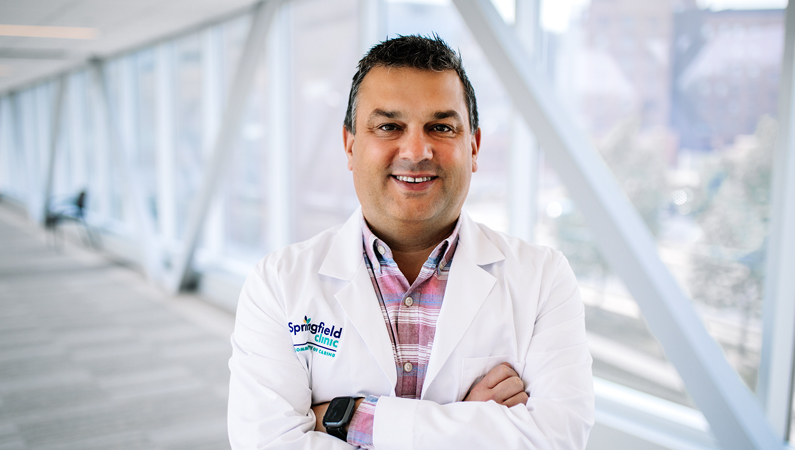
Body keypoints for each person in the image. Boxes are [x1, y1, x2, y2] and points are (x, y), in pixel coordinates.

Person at [228, 34, 594, 449]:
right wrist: (470, 419)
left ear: (473, 146)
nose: (417, 150)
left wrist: (346, 419)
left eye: (441, 127)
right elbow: (266, 444)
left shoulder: (543, 278)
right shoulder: (277, 283)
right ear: (350, 146)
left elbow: (557, 439)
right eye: (389, 126)